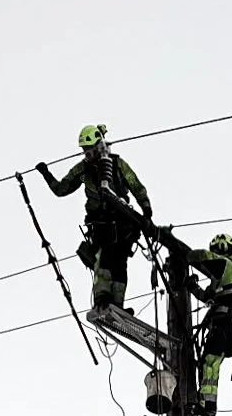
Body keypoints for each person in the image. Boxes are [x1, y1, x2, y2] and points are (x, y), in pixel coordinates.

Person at [36, 124, 152, 312]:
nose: (87, 155)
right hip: (100, 222)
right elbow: (61, 189)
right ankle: (102, 299)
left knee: (120, 264)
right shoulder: (83, 169)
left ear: (100, 145)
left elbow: (136, 185)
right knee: (103, 258)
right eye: (84, 151)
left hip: (123, 223)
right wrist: (46, 174)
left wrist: (146, 210)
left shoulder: (117, 164)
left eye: (90, 150)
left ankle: (117, 306)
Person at [191, 233, 232, 416]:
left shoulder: (228, 267)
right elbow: (207, 296)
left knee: (210, 363)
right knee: (208, 363)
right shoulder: (221, 280)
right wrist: (193, 288)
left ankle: (207, 405)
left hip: (224, 327)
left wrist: (185, 256)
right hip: (224, 328)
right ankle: (206, 402)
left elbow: (205, 256)